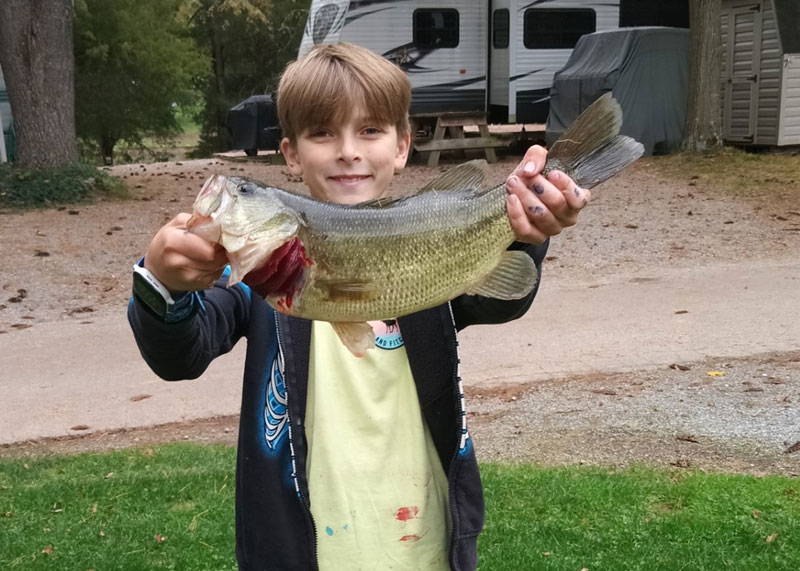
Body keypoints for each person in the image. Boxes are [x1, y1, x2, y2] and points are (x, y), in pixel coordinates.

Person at [128, 42, 589, 571]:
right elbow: (180, 354)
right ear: (292, 154)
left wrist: (528, 226)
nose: (348, 150)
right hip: (307, 552)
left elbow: (507, 296)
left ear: (402, 146)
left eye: (370, 130)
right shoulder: (251, 278)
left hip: (426, 546)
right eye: (322, 132)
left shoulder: (429, 245)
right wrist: (164, 284)